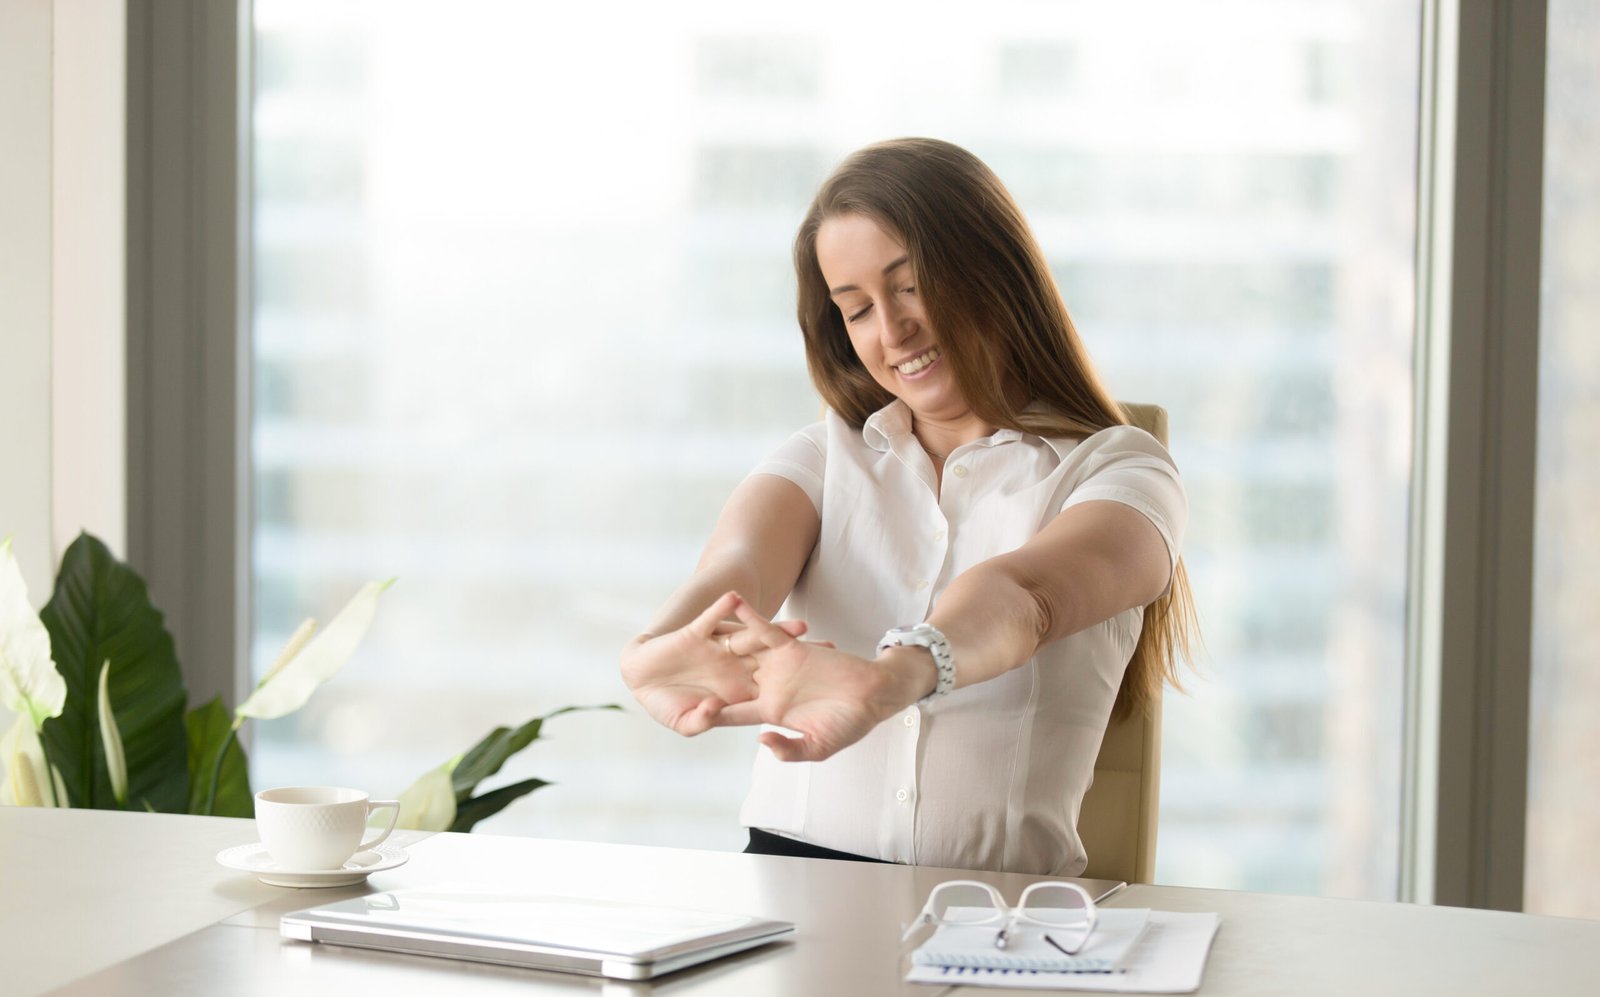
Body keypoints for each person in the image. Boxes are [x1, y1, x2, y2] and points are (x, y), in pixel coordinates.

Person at [620, 137, 1196, 876]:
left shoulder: (1122, 469)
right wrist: (665, 644)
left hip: (1001, 920)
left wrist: (892, 678)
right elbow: (737, 570)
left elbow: (1025, 596)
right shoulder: (823, 456)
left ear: (992, 270)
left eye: (910, 286)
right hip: (789, 894)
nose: (891, 333)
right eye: (856, 309)